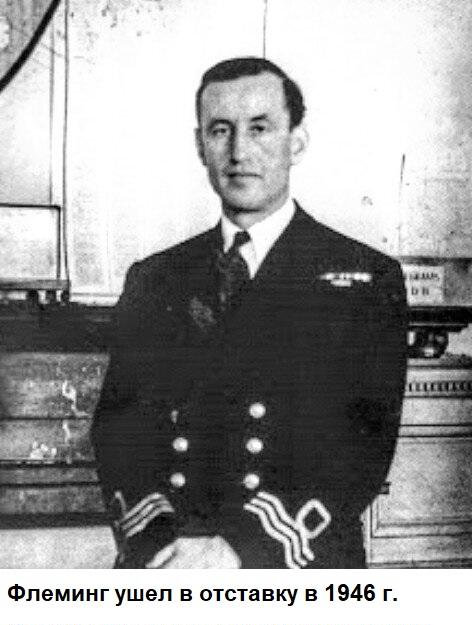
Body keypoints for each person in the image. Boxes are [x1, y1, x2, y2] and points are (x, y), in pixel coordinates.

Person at [91, 57, 408, 569]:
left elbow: (361, 448)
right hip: (169, 561)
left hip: (290, 563)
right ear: (200, 146)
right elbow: (120, 429)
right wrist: (158, 542)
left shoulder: (366, 279)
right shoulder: (155, 278)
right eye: (221, 130)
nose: (239, 152)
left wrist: (239, 549)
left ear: (296, 141)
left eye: (260, 128)